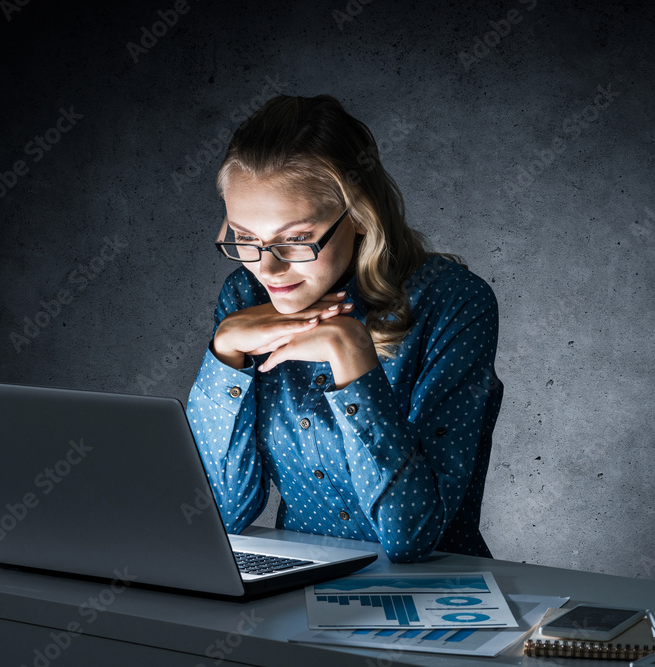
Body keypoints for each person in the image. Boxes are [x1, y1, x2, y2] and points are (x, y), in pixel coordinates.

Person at [186, 94, 503, 562]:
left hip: (433, 598)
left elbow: (411, 539)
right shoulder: (244, 300)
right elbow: (220, 517)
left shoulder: (454, 302)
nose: (268, 269)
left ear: (357, 216)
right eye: (246, 239)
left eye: (295, 239)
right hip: (297, 589)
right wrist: (224, 356)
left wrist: (354, 362)